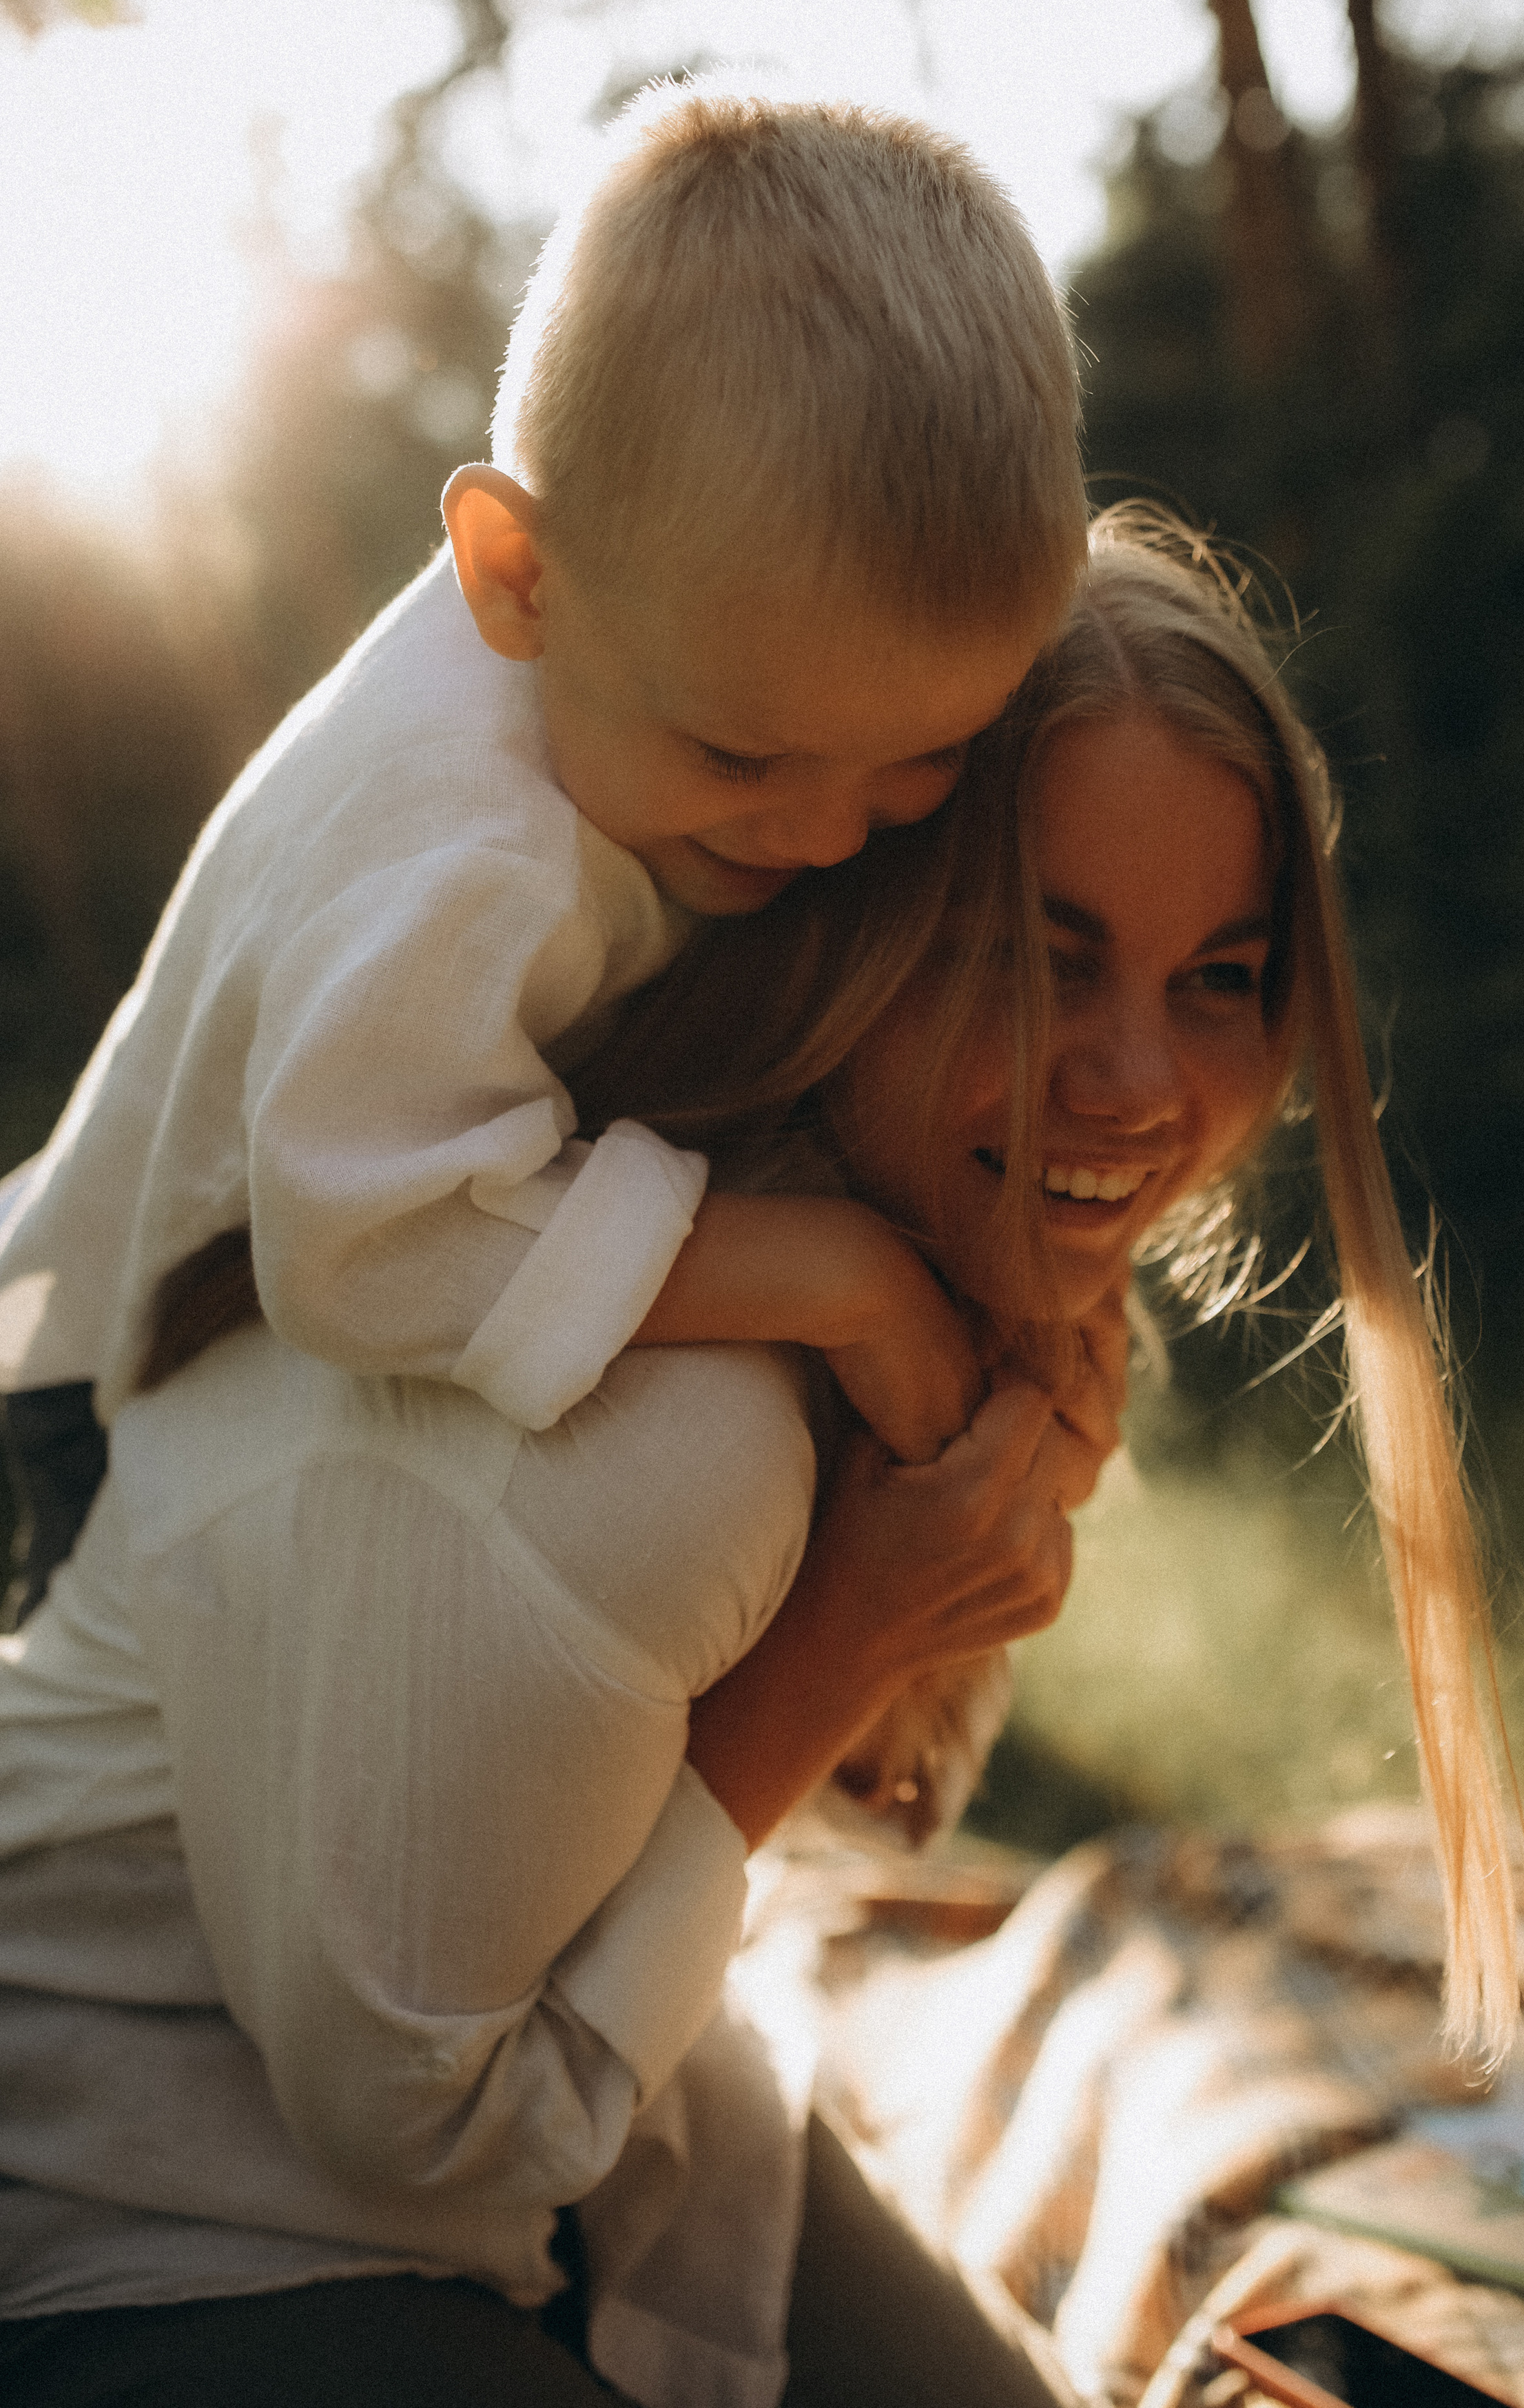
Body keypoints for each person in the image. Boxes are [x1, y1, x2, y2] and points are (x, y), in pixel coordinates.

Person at [0, 514, 1522, 2405]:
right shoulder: (670, 1425)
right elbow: (426, 2130)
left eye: (1220, 974)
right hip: (137, 2178)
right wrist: (840, 1643)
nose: (1139, 1086)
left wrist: (952, 1571)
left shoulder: (956, 1279)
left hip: (585, 2121)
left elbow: (873, 1810)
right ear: (861, 926)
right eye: (1040, 959)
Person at [0, 77, 1088, 1618]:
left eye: (924, 757)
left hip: (274, 1250)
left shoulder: (646, 618)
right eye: (741, 755)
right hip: (123, 1340)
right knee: (141, 1767)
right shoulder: (450, 845)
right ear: (514, 580)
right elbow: (366, 1249)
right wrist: (844, 1279)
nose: (829, 830)